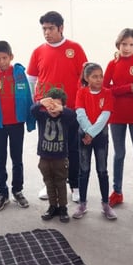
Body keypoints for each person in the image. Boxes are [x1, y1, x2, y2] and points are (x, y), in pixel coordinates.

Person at [27, 11, 87, 202]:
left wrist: (80, 107)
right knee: (49, 150)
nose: (47, 32)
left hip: (69, 111)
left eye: (51, 28)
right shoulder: (38, 51)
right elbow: (32, 79)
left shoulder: (75, 49)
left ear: (61, 28)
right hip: (46, 113)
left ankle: (75, 187)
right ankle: (49, 184)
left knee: (72, 150)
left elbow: (85, 79)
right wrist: (38, 103)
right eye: (44, 28)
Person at [0, 40, 35, 211]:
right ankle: (2, 193)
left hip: (16, 125)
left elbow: (28, 97)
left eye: (4, 58)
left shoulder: (19, 74)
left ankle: (18, 191)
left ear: (11, 57)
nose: (1, 62)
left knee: (17, 159)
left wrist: (30, 120)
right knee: (0, 160)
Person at [103, 28, 133, 218]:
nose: (127, 48)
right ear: (118, 44)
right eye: (124, 44)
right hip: (117, 116)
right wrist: (127, 87)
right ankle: (117, 192)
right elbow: (106, 89)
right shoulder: (112, 64)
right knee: (119, 155)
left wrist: (118, 89)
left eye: (131, 44)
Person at [72, 62, 117, 220]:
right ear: (86, 77)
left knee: (102, 170)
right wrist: (87, 132)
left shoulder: (107, 93)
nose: (99, 79)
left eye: (101, 76)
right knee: (83, 170)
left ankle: (106, 204)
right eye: (94, 76)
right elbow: (80, 114)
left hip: (100, 135)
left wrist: (91, 133)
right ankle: (82, 204)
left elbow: (104, 116)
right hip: (83, 135)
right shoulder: (81, 93)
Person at [31, 88, 77, 223]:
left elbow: (73, 115)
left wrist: (61, 109)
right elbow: (32, 110)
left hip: (60, 158)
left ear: (63, 106)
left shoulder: (65, 118)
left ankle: (63, 208)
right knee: (49, 183)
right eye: (50, 105)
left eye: (57, 105)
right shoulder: (42, 116)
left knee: (61, 183)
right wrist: (41, 103)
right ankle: (52, 206)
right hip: (44, 158)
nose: (53, 108)